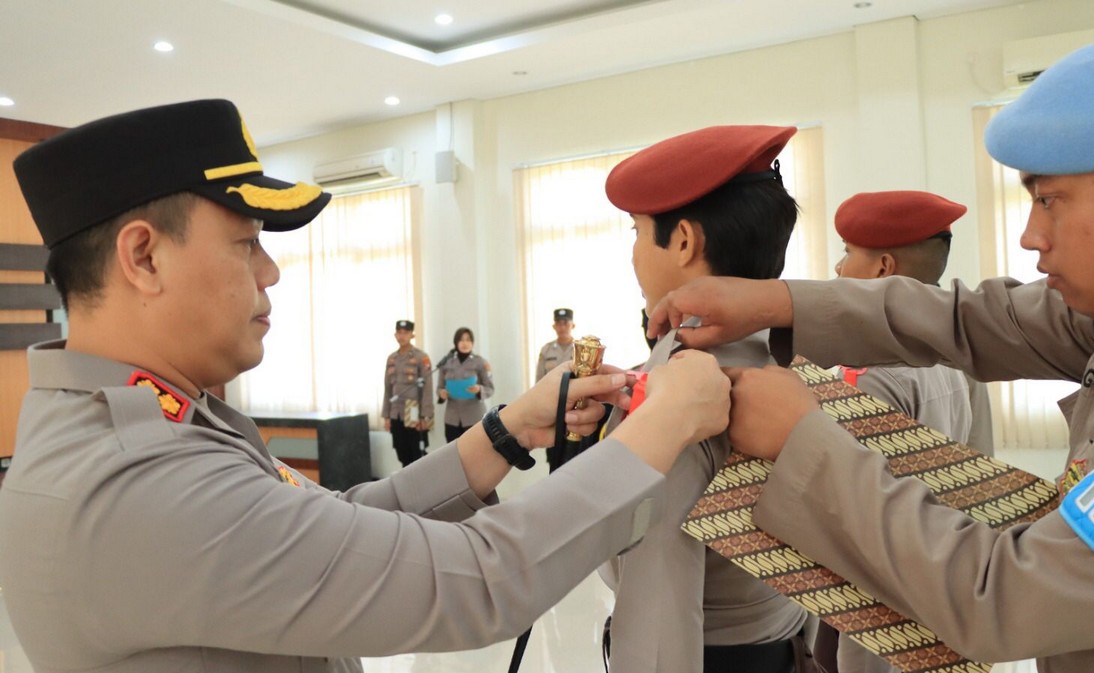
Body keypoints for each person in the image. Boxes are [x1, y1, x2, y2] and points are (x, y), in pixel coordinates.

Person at [0, 98, 736, 673]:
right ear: (143, 257)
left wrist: (505, 432)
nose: (270, 271)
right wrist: (660, 425)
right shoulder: (137, 480)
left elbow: (340, 523)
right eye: (246, 242)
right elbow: (476, 582)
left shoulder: (159, 420)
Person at [646, 30, 1094, 673]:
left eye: (1050, 200)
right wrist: (777, 303)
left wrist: (802, 440)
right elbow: (970, 318)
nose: (1030, 236)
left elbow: (1005, 598)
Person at [601, 124, 810, 673]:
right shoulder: (796, 361)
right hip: (784, 643)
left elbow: (658, 599)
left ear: (686, 243)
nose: (633, 254)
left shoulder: (685, 390)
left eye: (637, 232)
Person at [820, 190, 995, 673]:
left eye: (847, 253)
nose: (837, 268)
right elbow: (980, 464)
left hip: (883, 587)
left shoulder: (872, 371)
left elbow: (853, 503)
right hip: (947, 571)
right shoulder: (958, 353)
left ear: (882, 268)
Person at [382, 319, 433, 466]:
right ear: (395, 335)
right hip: (396, 412)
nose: (402, 336)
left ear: (412, 335)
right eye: (399, 332)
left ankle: (421, 488)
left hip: (414, 411)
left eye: (406, 333)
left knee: (417, 454)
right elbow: (387, 388)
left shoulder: (421, 357)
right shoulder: (392, 358)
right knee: (401, 452)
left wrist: (425, 416)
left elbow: (427, 388)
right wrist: (386, 416)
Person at [436, 326, 494, 442]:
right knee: (453, 453)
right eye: (461, 340)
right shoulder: (447, 363)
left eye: (468, 340)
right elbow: (439, 387)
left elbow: (490, 388)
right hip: (452, 418)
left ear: (472, 343)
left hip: (474, 417)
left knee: (475, 454)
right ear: (456, 342)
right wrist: (441, 394)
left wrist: (479, 389)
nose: (465, 343)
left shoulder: (480, 362)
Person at [536, 307, 575, 382]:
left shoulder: (581, 350)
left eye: (565, 323)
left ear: (573, 325)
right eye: (559, 324)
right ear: (554, 326)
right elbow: (539, 379)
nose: (562, 328)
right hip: (551, 392)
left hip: (575, 392)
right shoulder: (546, 350)